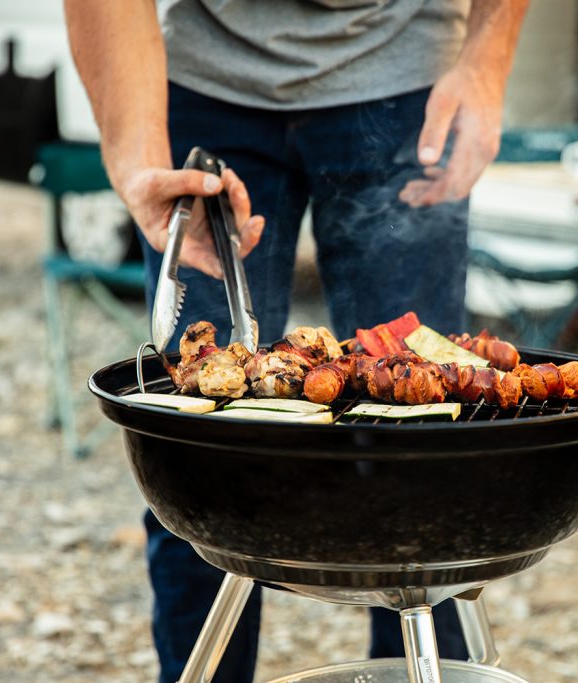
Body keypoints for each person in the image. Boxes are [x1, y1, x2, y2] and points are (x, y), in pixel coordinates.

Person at [63, 1, 529, 680]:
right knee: (199, 459)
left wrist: (485, 65)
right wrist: (137, 161)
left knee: (422, 456)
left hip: (404, 82)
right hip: (208, 84)